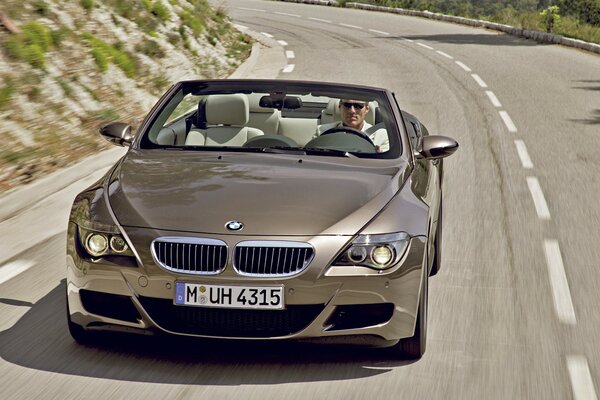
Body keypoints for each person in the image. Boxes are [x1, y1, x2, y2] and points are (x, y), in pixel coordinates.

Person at [316, 99, 389, 152]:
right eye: (347, 105)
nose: (352, 111)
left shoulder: (381, 135)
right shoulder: (322, 131)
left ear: (366, 109)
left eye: (358, 106)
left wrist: (379, 154)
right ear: (339, 107)